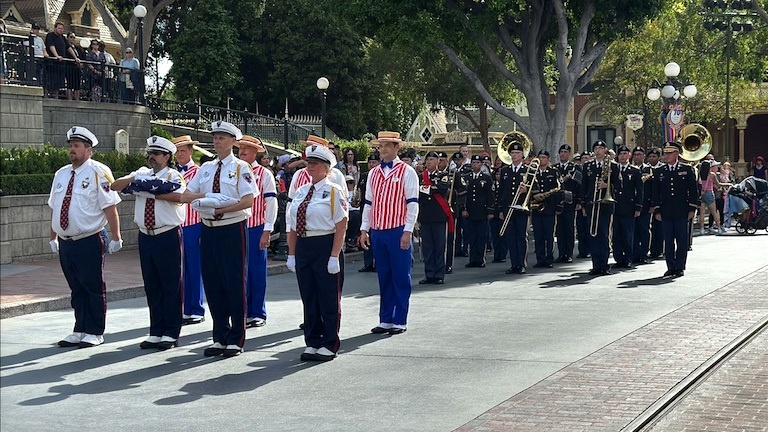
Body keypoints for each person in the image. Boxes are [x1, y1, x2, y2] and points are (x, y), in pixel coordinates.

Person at [181, 121, 257, 358]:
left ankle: (236, 338)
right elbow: (186, 195)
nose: (217, 141)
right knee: (213, 283)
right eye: (214, 137)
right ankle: (219, 336)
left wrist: (222, 208)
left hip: (231, 228)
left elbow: (248, 200)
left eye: (222, 138)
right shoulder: (206, 168)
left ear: (233, 142)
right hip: (208, 228)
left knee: (234, 282)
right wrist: (209, 197)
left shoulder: (241, 168)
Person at [48, 126, 123, 348]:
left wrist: (116, 237)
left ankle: (95, 331)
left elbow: (110, 207)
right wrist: (53, 237)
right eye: (71, 146)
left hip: (89, 238)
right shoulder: (61, 174)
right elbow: (55, 208)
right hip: (66, 241)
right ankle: (79, 328)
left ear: (89, 150)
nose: (72, 150)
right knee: (76, 287)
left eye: (77, 146)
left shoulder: (99, 172)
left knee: (93, 287)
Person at [111, 137, 185, 350]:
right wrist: (137, 178)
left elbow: (177, 193)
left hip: (166, 234)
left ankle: (171, 332)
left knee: (170, 284)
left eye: (156, 154)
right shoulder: (142, 173)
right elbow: (115, 186)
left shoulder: (173, 175)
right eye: (150, 153)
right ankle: (156, 331)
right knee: (152, 285)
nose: (151, 157)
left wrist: (144, 188)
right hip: (146, 235)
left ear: (167, 156)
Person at [286, 144, 348, 361]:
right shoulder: (301, 191)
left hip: (325, 243)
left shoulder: (334, 191)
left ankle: (330, 342)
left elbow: (341, 225)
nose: (309, 167)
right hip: (304, 244)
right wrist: (292, 253)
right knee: (309, 296)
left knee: (328, 297)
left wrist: (334, 256)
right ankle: (312, 340)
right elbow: (292, 224)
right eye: (308, 163)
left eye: (314, 163)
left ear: (326, 167)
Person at [361, 131, 419, 335]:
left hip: (397, 229)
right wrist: (364, 229)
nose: (382, 149)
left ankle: (400, 319)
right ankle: (385, 318)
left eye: (387, 145)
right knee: (384, 275)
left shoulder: (407, 172)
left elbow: (412, 204)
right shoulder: (373, 173)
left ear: (397, 147)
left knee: (401, 276)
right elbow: (368, 203)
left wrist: (408, 231)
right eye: (380, 146)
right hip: (378, 230)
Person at [236, 135, 278, 329]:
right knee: (238, 271)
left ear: (255, 152)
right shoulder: (234, 171)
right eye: (240, 148)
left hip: (256, 227)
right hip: (235, 226)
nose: (242, 151)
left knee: (256, 270)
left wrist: (267, 229)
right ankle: (241, 311)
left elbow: (271, 202)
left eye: (247, 148)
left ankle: (257, 312)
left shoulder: (264, 174)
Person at [652, 141, 698, 278]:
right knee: (668, 240)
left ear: (676, 154)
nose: (666, 156)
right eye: (665, 153)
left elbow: (693, 190)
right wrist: (657, 209)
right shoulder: (659, 171)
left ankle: (680, 266)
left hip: (682, 210)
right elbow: (656, 192)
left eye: (669, 153)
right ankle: (670, 267)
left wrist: (692, 208)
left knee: (682, 240)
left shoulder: (686, 169)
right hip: (666, 211)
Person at [172, 135, 206, 325]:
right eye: (177, 151)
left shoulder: (199, 172)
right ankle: (184, 308)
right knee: (179, 268)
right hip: (175, 224)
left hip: (193, 224)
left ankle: (196, 308)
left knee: (194, 266)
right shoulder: (172, 173)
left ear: (191, 151)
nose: (180, 154)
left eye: (183, 151)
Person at [579, 140, 619, 276]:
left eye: (601, 148)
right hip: (592, 204)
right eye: (596, 148)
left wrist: (607, 186)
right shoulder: (588, 166)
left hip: (605, 205)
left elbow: (619, 185)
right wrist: (583, 204)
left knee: (604, 235)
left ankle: (604, 264)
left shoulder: (613, 165)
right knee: (592, 235)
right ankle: (596, 265)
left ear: (605, 150)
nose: (598, 151)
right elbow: (584, 186)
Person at [417, 151, 451, 284]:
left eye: (432, 159)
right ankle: (429, 274)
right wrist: (430, 188)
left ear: (438, 162)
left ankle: (439, 274)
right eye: (428, 160)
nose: (429, 162)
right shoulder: (421, 176)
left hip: (438, 215)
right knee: (428, 247)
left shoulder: (443, 175)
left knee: (439, 246)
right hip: (425, 216)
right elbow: (417, 191)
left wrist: (427, 188)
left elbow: (442, 188)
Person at [497, 141, 531, 274]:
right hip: (508, 208)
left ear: (522, 154)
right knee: (511, 237)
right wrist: (501, 209)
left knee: (521, 237)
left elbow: (535, 188)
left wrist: (526, 190)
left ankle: (521, 263)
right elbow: (502, 192)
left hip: (521, 209)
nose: (514, 155)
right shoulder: (505, 171)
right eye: (512, 153)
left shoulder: (527, 170)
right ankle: (514, 264)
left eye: (517, 153)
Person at [611, 145, 643, 268]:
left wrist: (638, 207)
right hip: (615, 206)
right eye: (620, 154)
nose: (623, 156)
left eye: (625, 154)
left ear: (629, 155)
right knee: (616, 234)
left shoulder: (635, 171)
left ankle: (629, 257)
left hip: (629, 206)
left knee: (628, 234)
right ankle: (618, 258)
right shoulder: (613, 169)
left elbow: (639, 191)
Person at [530, 150, 562, 268]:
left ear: (548, 159)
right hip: (536, 207)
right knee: (538, 235)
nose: (541, 160)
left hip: (549, 208)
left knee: (549, 235)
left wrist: (558, 207)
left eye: (544, 157)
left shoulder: (554, 172)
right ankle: (540, 259)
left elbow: (559, 189)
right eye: (540, 157)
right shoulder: (532, 173)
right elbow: (529, 189)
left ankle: (549, 258)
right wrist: (534, 196)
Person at [462, 155, 495, 267]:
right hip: (470, 211)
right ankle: (473, 259)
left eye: (477, 162)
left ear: (481, 164)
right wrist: (464, 209)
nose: (475, 165)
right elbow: (463, 195)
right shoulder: (466, 177)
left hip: (482, 211)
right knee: (472, 237)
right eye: (473, 162)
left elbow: (490, 196)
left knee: (481, 237)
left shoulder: (486, 178)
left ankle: (480, 259)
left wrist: (490, 211)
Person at [554, 144, 578, 263]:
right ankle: (561, 253)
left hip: (570, 203)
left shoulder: (574, 168)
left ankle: (568, 254)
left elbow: (579, 186)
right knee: (559, 230)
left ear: (569, 154)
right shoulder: (555, 168)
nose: (563, 154)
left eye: (565, 152)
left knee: (569, 229)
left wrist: (579, 201)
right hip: (558, 203)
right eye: (561, 152)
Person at [357, 153, 379, 272]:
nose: (371, 164)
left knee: (375, 238)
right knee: (365, 236)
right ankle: (368, 263)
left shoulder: (379, 176)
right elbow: (359, 191)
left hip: (376, 210)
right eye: (370, 162)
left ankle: (378, 263)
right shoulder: (364, 176)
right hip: (364, 209)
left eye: (374, 162)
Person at [632, 147, 653, 265]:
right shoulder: (630, 169)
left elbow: (652, 189)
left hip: (645, 204)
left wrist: (653, 204)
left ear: (644, 156)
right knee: (633, 230)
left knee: (644, 230)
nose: (637, 156)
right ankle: (634, 254)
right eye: (635, 154)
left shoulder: (649, 169)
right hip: (632, 204)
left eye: (640, 154)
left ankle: (644, 254)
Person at [697, 160, 725, 235]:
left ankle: (702, 229)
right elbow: (718, 184)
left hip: (702, 194)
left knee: (702, 213)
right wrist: (726, 184)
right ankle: (719, 228)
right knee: (714, 212)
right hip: (709, 193)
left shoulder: (699, 175)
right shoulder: (712, 175)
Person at [646, 148, 665, 260]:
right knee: (651, 228)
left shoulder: (662, 168)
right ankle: (652, 250)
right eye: (650, 157)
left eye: (654, 156)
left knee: (660, 228)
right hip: (648, 202)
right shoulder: (646, 168)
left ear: (659, 157)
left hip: (660, 202)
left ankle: (659, 250)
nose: (652, 158)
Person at [575, 151, 592, 259]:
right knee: (581, 228)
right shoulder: (577, 171)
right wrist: (579, 202)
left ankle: (589, 249)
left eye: (587, 158)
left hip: (589, 203)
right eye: (583, 158)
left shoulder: (591, 170)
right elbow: (577, 188)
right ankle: (582, 250)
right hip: (579, 203)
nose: (585, 160)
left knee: (588, 228)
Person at [44, 22, 67, 98]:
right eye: (59, 28)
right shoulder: (50, 35)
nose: (61, 30)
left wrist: (75, 57)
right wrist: (56, 56)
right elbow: (51, 46)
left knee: (58, 82)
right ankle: (48, 94)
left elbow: (68, 47)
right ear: (55, 28)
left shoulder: (63, 38)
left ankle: (56, 96)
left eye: (62, 29)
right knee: (51, 80)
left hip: (61, 64)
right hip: (52, 63)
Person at [63, 32, 83, 101]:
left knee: (77, 84)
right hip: (69, 67)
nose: (72, 39)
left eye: (74, 37)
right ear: (67, 38)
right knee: (70, 84)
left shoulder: (77, 48)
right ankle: (70, 99)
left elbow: (81, 56)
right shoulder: (65, 47)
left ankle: (77, 99)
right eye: (71, 37)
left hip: (77, 68)